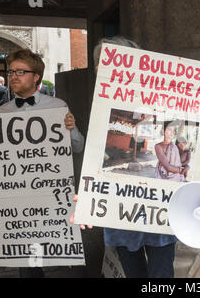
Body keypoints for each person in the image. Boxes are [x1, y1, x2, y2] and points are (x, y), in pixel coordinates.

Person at [0, 48, 85, 277]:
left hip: (52, 193)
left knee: (64, 253)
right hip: (17, 198)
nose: (13, 77)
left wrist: (72, 129)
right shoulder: (1, 113)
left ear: (36, 76)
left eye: (20, 71)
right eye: (11, 72)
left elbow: (77, 147)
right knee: (27, 262)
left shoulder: (58, 106)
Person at [72, 36, 177, 278]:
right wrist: (88, 197)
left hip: (158, 213)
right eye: (101, 63)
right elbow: (96, 159)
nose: (104, 68)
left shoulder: (162, 102)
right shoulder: (101, 108)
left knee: (161, 275)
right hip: (120, 212)